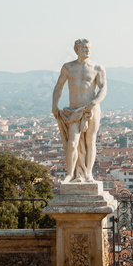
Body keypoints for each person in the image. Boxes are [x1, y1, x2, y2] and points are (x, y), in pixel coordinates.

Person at [52, 39, 107, 183]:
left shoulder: (97, 68)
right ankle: (71, 174)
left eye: (89, 48)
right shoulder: (68, 67)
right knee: (72, 143)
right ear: (77, 50)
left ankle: (88, 174)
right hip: (73, 111)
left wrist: (94, 102)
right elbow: (59, 86)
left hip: (91, 110)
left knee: (90, 141)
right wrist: (54, 105)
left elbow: (103, 88)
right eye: (84, 48)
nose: (88, 50)